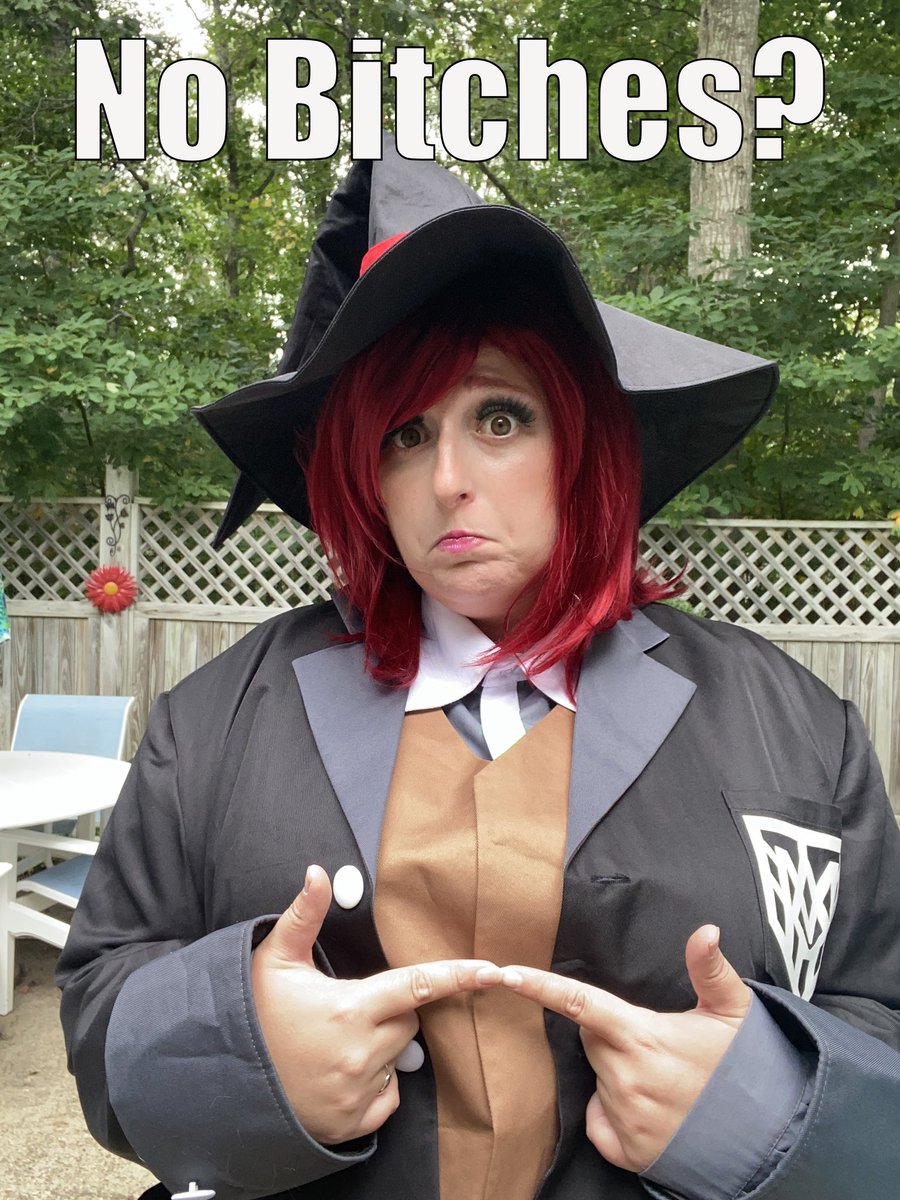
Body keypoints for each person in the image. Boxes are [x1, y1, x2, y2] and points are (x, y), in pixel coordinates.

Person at [57, 139, 900, 1200]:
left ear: (585, 444)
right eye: (403, 435)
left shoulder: (797, 726)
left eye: (500, 418)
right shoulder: (213, 721)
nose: (447, 478)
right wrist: (247, 1064)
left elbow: (877, 1009)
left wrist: (766, 1113)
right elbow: (103, 994)